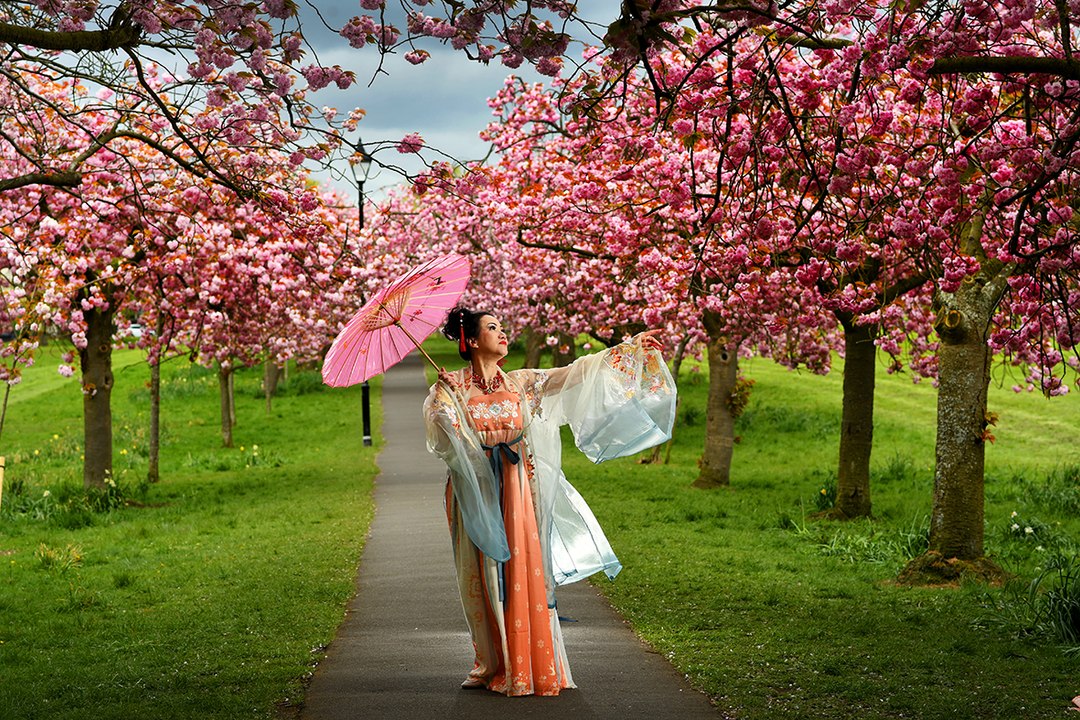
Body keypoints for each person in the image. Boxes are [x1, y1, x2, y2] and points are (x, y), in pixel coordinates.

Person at [423, 306, 676, 696]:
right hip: (473, 490)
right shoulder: (450, 387)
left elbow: (575, 372)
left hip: (518, 487)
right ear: (471, 341)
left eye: (502, 326)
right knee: (480, 574)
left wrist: (631, 349)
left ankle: (528, 662)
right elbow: (444, 443)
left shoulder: (522, 382)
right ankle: (492, 661)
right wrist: (445, 405)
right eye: (493, 328)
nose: (503, 333)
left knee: (523, 570)